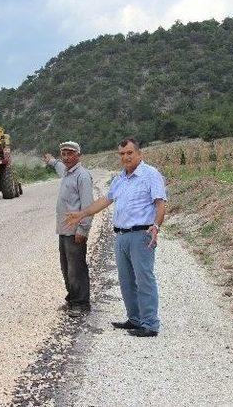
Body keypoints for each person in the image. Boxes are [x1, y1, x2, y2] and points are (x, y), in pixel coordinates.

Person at [64, 137, 166, 337]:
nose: (125, 157)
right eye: (122, 154)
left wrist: (156, 226)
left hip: (141, 234)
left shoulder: (150, 174)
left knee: (144, 278)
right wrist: (82, 213)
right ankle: (134, 319)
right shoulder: (120, 179)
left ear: (139, 154)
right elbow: (105, 200)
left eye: (129, 153)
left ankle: (150, 324)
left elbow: (160, 204)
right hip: (121, 235)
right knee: (126, 279)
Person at [43, 141, 94, 318]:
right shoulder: (65, 171)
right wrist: (51, 160)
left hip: (75, 231)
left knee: (76, 268)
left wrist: (83, 229)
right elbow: (57, 165)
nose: (66, 157)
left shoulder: (83, 176)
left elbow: (88, 206)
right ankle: (72, 299)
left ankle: (81, 304)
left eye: (70, 154)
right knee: (66, 267)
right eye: (63, 154)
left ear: (78, 155)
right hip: (63, 230)